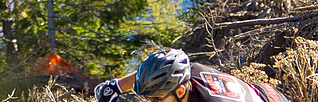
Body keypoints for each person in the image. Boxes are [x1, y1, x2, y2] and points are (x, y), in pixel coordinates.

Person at [94, 49, 289, 102]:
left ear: (180, 91)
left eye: (156, 99)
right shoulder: (189, 70)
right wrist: (116, 86)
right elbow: (159, 72)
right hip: (262, 90)